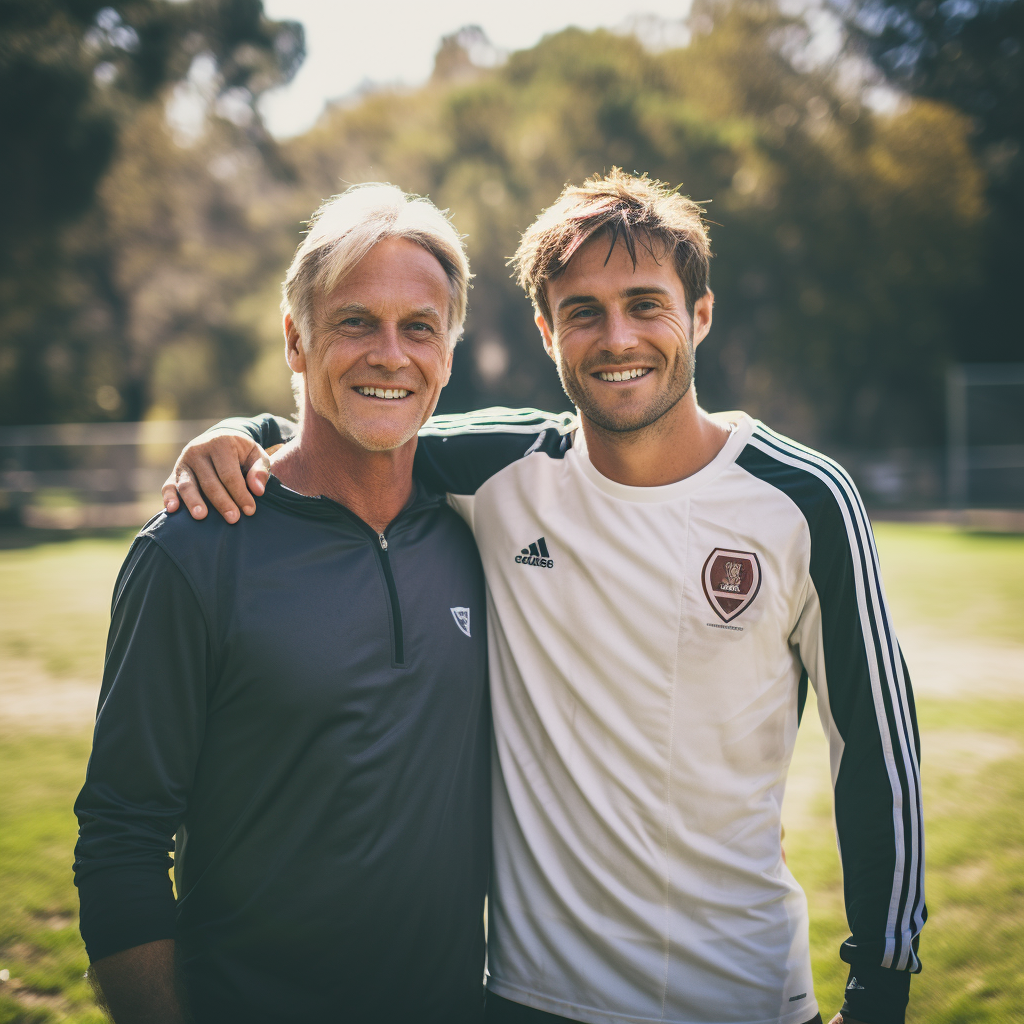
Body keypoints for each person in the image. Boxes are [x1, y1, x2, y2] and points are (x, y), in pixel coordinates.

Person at [166, 170, 925, 1024]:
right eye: (583, 312)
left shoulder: (804, 499)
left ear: (701, 315)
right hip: (528, 1000)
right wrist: (244, 434)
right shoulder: (503, 471)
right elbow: (362, 422)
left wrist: (880, 989)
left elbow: (879, 753)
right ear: (545, 331)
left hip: (740, 994)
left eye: (646, 304)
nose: (617, 337)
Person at [73, 184, 492, 1024]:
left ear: (449, 350)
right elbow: (120, 841)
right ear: (296, 341)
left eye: (420, 327)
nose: (390, 354)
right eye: (354, 322)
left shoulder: (479, 531)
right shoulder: (192, 548)